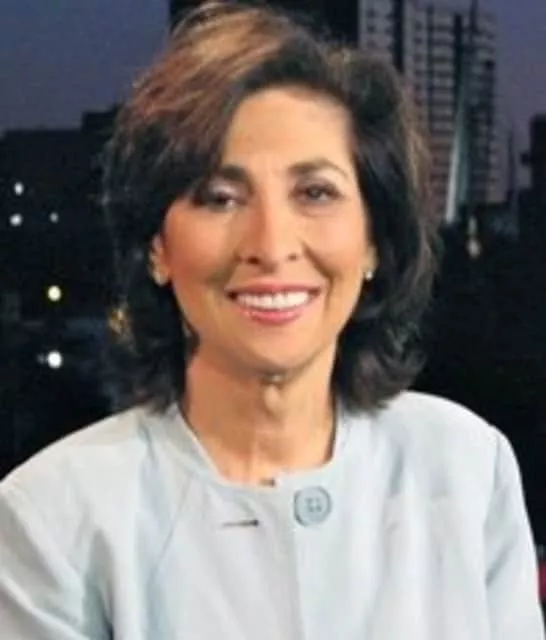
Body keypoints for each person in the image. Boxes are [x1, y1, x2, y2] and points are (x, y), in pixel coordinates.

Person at [0, 2, 543, 638]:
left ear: (373, 240)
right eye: (220, 198)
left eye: (315, 193)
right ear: (157, 248)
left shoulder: (468, 468)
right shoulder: (52, 517)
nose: (272, 244)